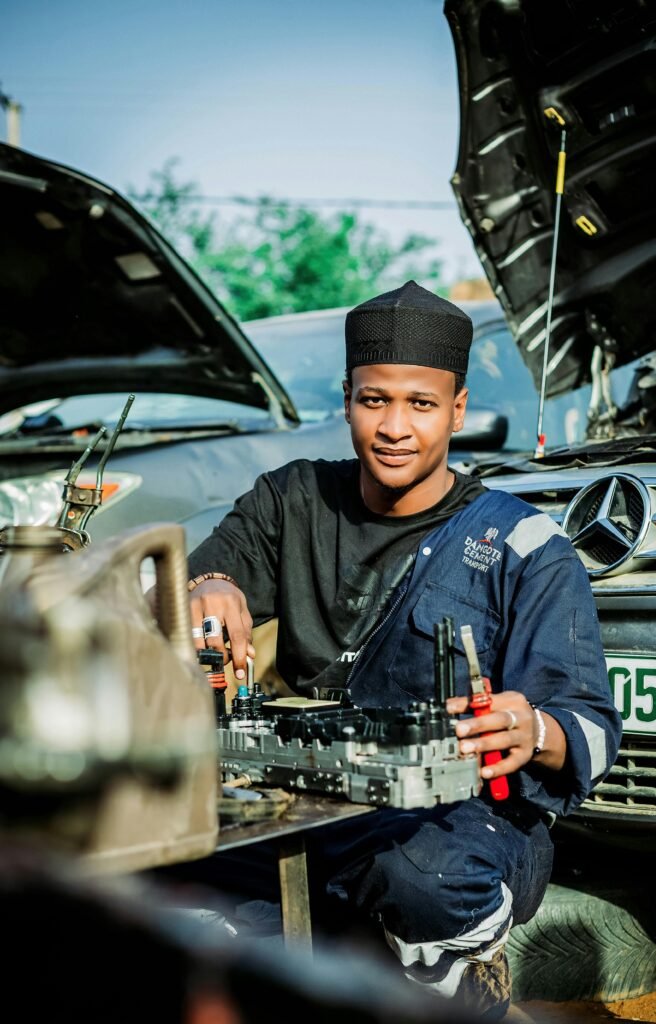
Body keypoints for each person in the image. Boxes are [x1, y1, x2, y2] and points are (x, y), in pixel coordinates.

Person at [182, 280, 622, 1020]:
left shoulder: (524, 545)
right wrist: (211, 583)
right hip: (311, 800)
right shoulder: (290, 499)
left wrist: (532, 730)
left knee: (421, 879)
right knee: (158, 846)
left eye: (419, 404)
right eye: (372, 399)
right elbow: (207, 570)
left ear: (456, 410)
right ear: (347, 399)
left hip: (464, 822)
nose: (392, 426)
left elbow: (591, 728)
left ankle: (458, 968)